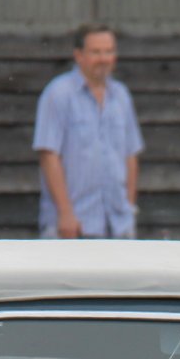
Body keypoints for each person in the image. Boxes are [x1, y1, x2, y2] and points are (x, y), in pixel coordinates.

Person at [32, 24, 142, 240]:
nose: (103, 59)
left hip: (117, 225)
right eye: (96, 52)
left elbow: (131, 155)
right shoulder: (58, 94)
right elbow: (48, 155)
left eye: (109, 51)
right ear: (79, 55)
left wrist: (128, 209)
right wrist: (65, 214)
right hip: (75, 226)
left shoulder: (121, 96)